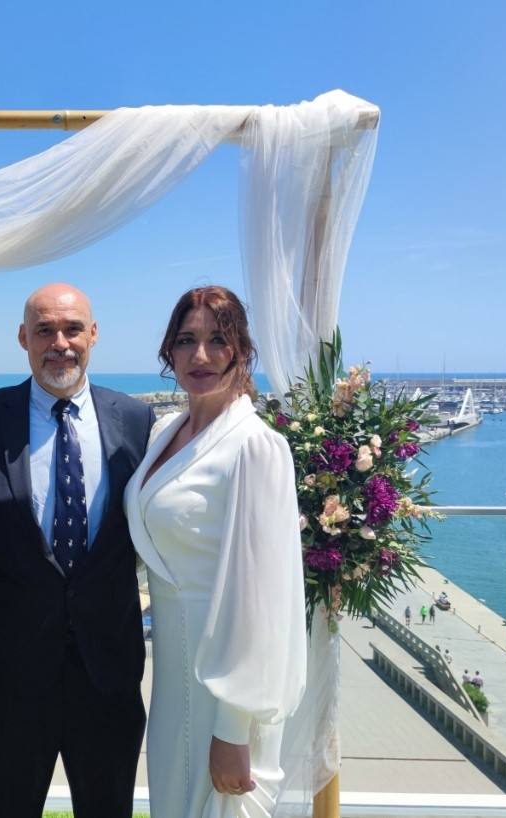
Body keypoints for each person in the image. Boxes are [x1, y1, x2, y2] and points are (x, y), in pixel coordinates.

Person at [0, 283, 153, 818]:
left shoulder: (136, 420)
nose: (59, 343)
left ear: (93, 334)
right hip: (8, 681)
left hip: (108, 674)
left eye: (72, 329)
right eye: (44, 330)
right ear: (23, 337)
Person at [123, 286, 306, 816]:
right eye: (186, 340)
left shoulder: (256, 447)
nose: (200, 356)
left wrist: (233, 728)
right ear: (169, 353)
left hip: (225, 688)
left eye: (218, 340)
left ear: (242, 351)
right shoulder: (166, 432)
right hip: (173, 682)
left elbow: (262, 600)